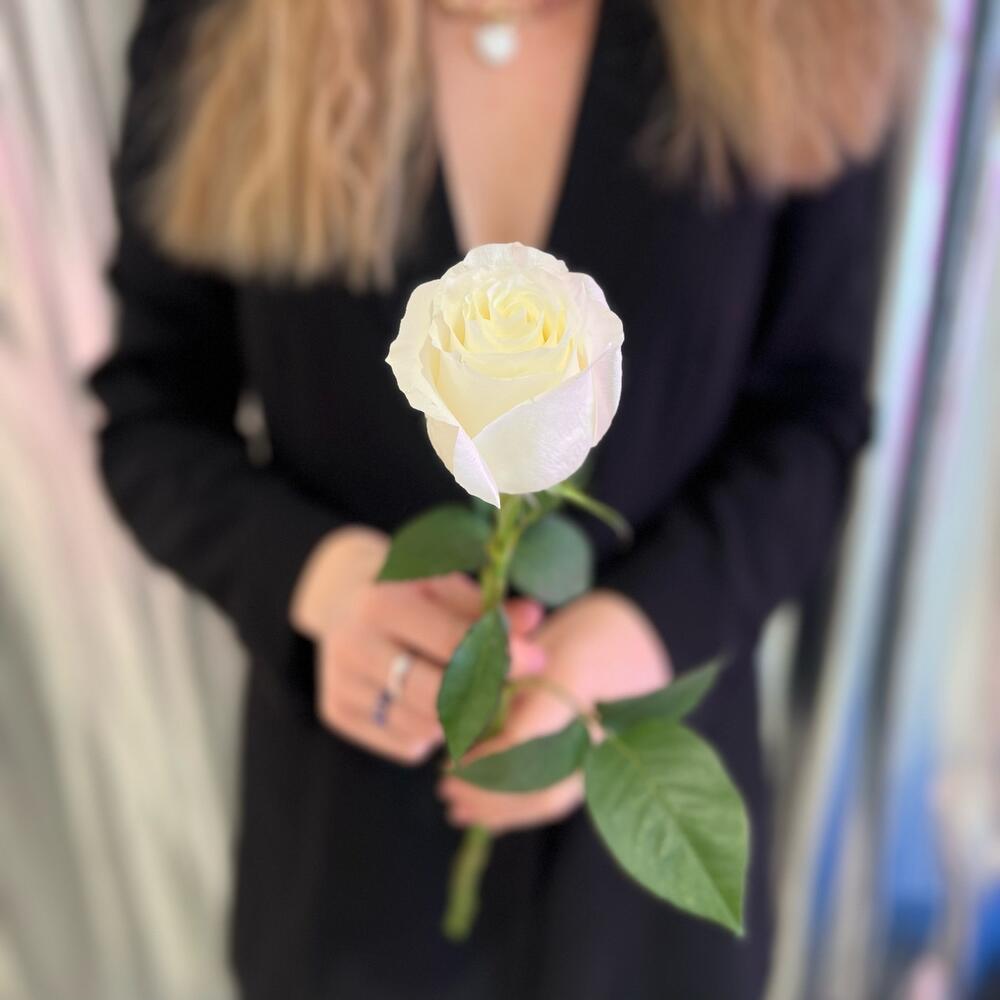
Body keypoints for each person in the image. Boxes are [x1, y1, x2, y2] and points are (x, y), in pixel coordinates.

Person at [90, 0, 923, 996]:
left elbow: (812, 415)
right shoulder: (222, 25)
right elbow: (151, 413)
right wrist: (318, 580)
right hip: (348, 883)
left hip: (642, 917)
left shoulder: (801, 25)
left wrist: (647, 628)